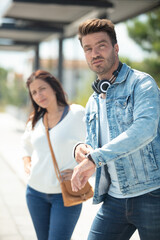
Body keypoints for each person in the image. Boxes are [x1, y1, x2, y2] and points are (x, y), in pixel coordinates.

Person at [71, 18, 160, 240]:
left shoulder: (142, 84)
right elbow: (96, 145)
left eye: (101, 45)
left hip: (152, 194)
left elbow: (145, 129)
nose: (94, 53)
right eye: (88, 48)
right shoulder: (93, 101)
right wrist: (82, 149)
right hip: (114, 199)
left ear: (116, 48)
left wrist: (95, 157)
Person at [21, 70, 86, 240]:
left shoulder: (77, 114)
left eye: (42, 88)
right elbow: (25, 144)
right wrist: (27, 162)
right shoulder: (34, 119)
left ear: (54, 87)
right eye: (34, 92)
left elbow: (95, 146)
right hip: (35, 193)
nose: (38, 95)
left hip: (66, 195)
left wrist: (82, 170)